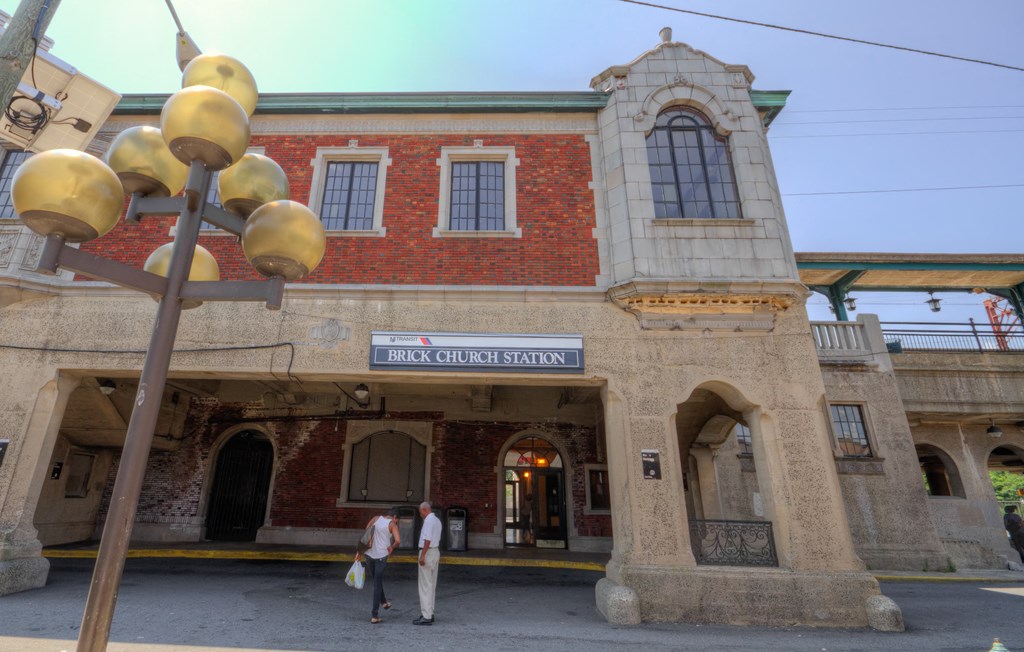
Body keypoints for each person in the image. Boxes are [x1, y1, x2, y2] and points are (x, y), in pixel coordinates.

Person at [355, 512, 400, 624]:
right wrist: (392, 547)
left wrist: (359, 552)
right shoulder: (392, 525)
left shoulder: (375, 518)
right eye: (397, 520)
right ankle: (374, 615)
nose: (396, 522)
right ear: (395, 517)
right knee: (377, 583)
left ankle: (384, 602)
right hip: (381, 556)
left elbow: (366, 534)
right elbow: (398, 540)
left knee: (376, 579)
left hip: (369, 555)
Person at [413, 501, 442, 626]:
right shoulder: (437, 520)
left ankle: (426, 616)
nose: (420, 515)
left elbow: (427, 540)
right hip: (435, 552)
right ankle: (430, 612)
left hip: (428, 552)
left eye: (420, 512)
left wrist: (423, 555)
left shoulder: (428, 521)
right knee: (432, 584)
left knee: (425, 585)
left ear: (425, 510)